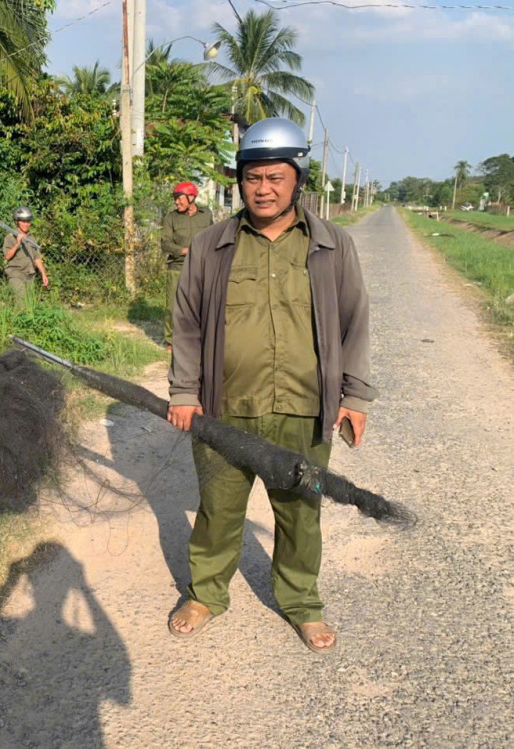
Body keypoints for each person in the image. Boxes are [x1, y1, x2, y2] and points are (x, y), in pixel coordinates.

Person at [165, 118, 377, 654]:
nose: (262, 189)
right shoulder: (213, 244)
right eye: (252, 177)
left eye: (275, 177)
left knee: (302, 512)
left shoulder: (333, 245)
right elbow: (186, 322)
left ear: (297, 179)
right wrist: (185, 393)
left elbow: (355, 321)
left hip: (305, 410)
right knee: (218, 507)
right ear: (240, 181)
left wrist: (354, 397)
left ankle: (302, 602)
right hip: (225, 409)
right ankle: (206, 594)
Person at [161, 182, 213, 351]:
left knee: (202, 303)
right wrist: (184, 251)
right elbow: (165, 243)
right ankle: (171, 340)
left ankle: (199, 337)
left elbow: (213, 236)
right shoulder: (171, 218)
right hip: (178, 266)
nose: (176, 202)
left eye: (179, 199)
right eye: (175, 199)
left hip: (201, 266)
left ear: (191, 198)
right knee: (172, 306)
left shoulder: (206, 215)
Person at [2, 206, 49, 300]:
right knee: (21, 303)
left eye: (28, 221)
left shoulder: (32, 238)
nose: (26, 224)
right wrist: (17, 244)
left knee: (29, 304)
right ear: (17, 222)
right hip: (16, 274)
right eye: (23, 221)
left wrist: (43, 274)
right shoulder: (10, 237)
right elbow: (7, 256)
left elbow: (37, 258)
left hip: (30, 275)